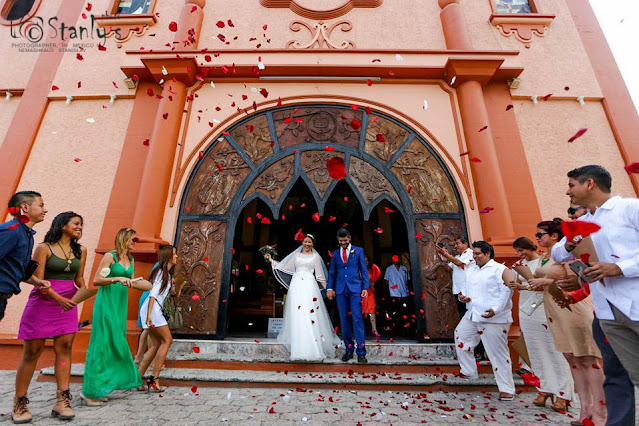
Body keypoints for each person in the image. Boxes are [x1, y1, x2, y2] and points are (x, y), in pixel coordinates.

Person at [552, 165, 639, 426]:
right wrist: (569, 243)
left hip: (634, 302)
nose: (568, 191)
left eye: (571, 185)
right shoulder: (587, 221)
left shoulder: (630, 209)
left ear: (589, 184)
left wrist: (620, 267)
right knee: (615, 375)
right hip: (607, 311)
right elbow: (558, 254)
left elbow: (619, 263)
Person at [12, 212, 86, 423]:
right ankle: (20, 402)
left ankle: (62, 400)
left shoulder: (81, 251)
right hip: (43, 301)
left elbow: (79, 278)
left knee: (64, 349)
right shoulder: (44, 248)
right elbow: (38, 279)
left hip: (68, 304)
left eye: (81, 224)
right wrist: (57, 298)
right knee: (32, 351)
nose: (80, 227)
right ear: (63, 225)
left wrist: (85, 291)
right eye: (76, 223)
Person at [529, 218, 605, 424]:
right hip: (554, 309)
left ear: (554, 236)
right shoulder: (547, 256)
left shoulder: (566, 254)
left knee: (587, 360)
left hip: (572, 308)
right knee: (573, 360)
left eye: (540, 235)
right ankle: (585, 410)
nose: (537, 238)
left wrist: (546, 281)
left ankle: (600, 412)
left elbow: (578, 282)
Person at [81, 228, 152, 406]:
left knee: (114, 344)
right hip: (106, 303)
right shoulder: (110, 256)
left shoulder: (131, 259)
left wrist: (143, 284)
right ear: (123, 238)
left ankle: (102, 388)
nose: (135, 242)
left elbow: (132, 280)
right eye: (133, 239)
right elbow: (97, 280)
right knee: (101, 345)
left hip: (120, 304)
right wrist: (117, 278)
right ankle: (89, 392)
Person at [506, 237, 573, 411]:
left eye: (522, 250)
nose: (520, 254)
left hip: (545, 309)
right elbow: (520, 283)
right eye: (517, 252)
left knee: (554, 351)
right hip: (527, 311)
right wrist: (515, 284)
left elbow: (551, 285)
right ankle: (544, 388)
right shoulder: (521, 263)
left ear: (530, 247)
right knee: (536, 352)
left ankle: (563, 394)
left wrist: (525, 287)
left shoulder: (545, 262)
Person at [454, 241, 517, 401]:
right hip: (473, 313)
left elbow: (507, 290)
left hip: (494, 318)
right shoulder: (471, 270)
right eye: (473, 254)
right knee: (460, 335)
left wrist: (496, 309)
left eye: (477, 254)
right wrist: (464, 298)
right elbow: (467, 289)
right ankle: (469, 371)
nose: (474, 257)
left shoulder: (499, 269)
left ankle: (507, 388)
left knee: (497, 353)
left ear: (488, 253)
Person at [266, 234, 340, 361]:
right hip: (296, 285)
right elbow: (285, 267)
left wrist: (328, 288)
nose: (306, 244)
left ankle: (312, 344)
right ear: (302, 242)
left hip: (310, 285)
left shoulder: (316, 257)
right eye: (305, 242)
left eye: (309, 242)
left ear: (313, 244)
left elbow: (320, 275)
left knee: (309, 311)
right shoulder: (296, 255)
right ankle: (298, 344)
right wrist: (271, 260)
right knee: (298, 312)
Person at [0, 191, 51, 322]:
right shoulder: (11, 231)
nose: (45, 210)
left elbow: (15, 268)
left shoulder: (26, 234)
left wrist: (36, 282)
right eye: (41, 205)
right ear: (25, 207)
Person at [137, 246, 177, 392]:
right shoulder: (161, 272)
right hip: (152, 310)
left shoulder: (167, 274)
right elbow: (153, 294)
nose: (176, 256)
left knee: (154, 346)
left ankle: (137, 379)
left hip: (153, 309)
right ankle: (154, 379)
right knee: (167, 340)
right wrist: (148, 316)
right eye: (174, 254)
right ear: (168, 257)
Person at [326, 228, 369, 363]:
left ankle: (361, 352)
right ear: (338, 240)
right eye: (341, 241)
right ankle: (349, 350)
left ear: (349, 238)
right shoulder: (335, 254)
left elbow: (363, 270)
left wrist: (365, 287)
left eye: (345, 240)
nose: (343, 243)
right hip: (340, 290)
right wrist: (330, 288)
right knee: (344, 321)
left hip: (355, 288)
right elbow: (332, 272)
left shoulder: (359, 251)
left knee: (357, 319)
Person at [437, 237, 473, 319]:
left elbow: (459, 263)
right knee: (463, 315)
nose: (455, 246)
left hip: (467, 291)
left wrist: (446, 254)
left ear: (465, 244)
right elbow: (448, 268)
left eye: (458, 244)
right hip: (459, 291)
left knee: (470, 315)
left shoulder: (470, 253)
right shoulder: (457, 256)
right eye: (455, 244)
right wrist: (445, 258)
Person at [384, 254, 410, 335]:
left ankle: (404, 329)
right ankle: (395, 328)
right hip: (394, 293)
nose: (396, 260)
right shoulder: (389, 269)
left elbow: (407, 280)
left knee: (404, 311)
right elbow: (386, 280)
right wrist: (392, 287)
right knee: (394, 311)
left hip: (404, 292)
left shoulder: (404, 268)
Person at [363, 256, 381, 338]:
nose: (366, 261)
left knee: (372, 311)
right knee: (360, 311)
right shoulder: (358, 270)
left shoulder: (370, 270)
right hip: (361, 293)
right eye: (364, 260)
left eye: (367, 260)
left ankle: (374, 329)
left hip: (370, 293)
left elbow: (372, 281)